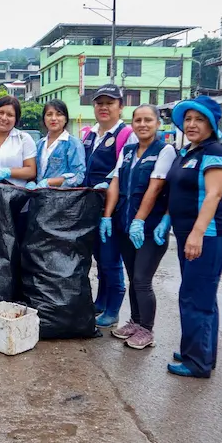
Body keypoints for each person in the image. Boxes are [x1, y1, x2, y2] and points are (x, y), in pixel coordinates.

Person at [156, 96, 222, 378]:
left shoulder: (216, 151)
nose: (191, 124)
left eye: (199, 119)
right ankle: (202, 352)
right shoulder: (189, 151)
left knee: (194, 297)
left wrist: (197, 233)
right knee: (202, 296)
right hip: (188, 232)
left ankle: (196, 362)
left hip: (207, 234)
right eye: (188, 119)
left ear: (211, 124)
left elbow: (213, 194)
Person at [100, 104, 176, 349]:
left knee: (143, 279)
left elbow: (155, 188)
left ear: (158, 123)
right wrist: (108, 216)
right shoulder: (129, 150)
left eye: (148, 120)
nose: (143, 124)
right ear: (132, 124)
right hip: (124, 224)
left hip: (150, 228)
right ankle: (135, 321)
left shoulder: (165, 151)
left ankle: (147, 330)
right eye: (138, 120)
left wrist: (139, 221)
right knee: (133, 277)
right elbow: (115, 182)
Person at [81, 85, 138, 328]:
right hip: (91, 206)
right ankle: (101, 301)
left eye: (110, 103)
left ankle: (113, 308)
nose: (104, 108)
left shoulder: (126, 135)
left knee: (111, 259)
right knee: (99, 258)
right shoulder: (90, 134)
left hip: (113, 208)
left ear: (120, 107)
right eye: (99, 103)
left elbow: (123, 171)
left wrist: (107, 185)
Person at [25, 99, 85, 190]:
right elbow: (34, 172)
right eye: (49, 114)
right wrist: (32, 182)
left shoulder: (73, 144)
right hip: (38, 198)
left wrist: (49, 182)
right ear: (44, 119)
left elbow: (78, 176)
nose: (53, 118)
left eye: (59, 114)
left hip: (62, 199)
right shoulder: (39, 144)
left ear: (65, 119)